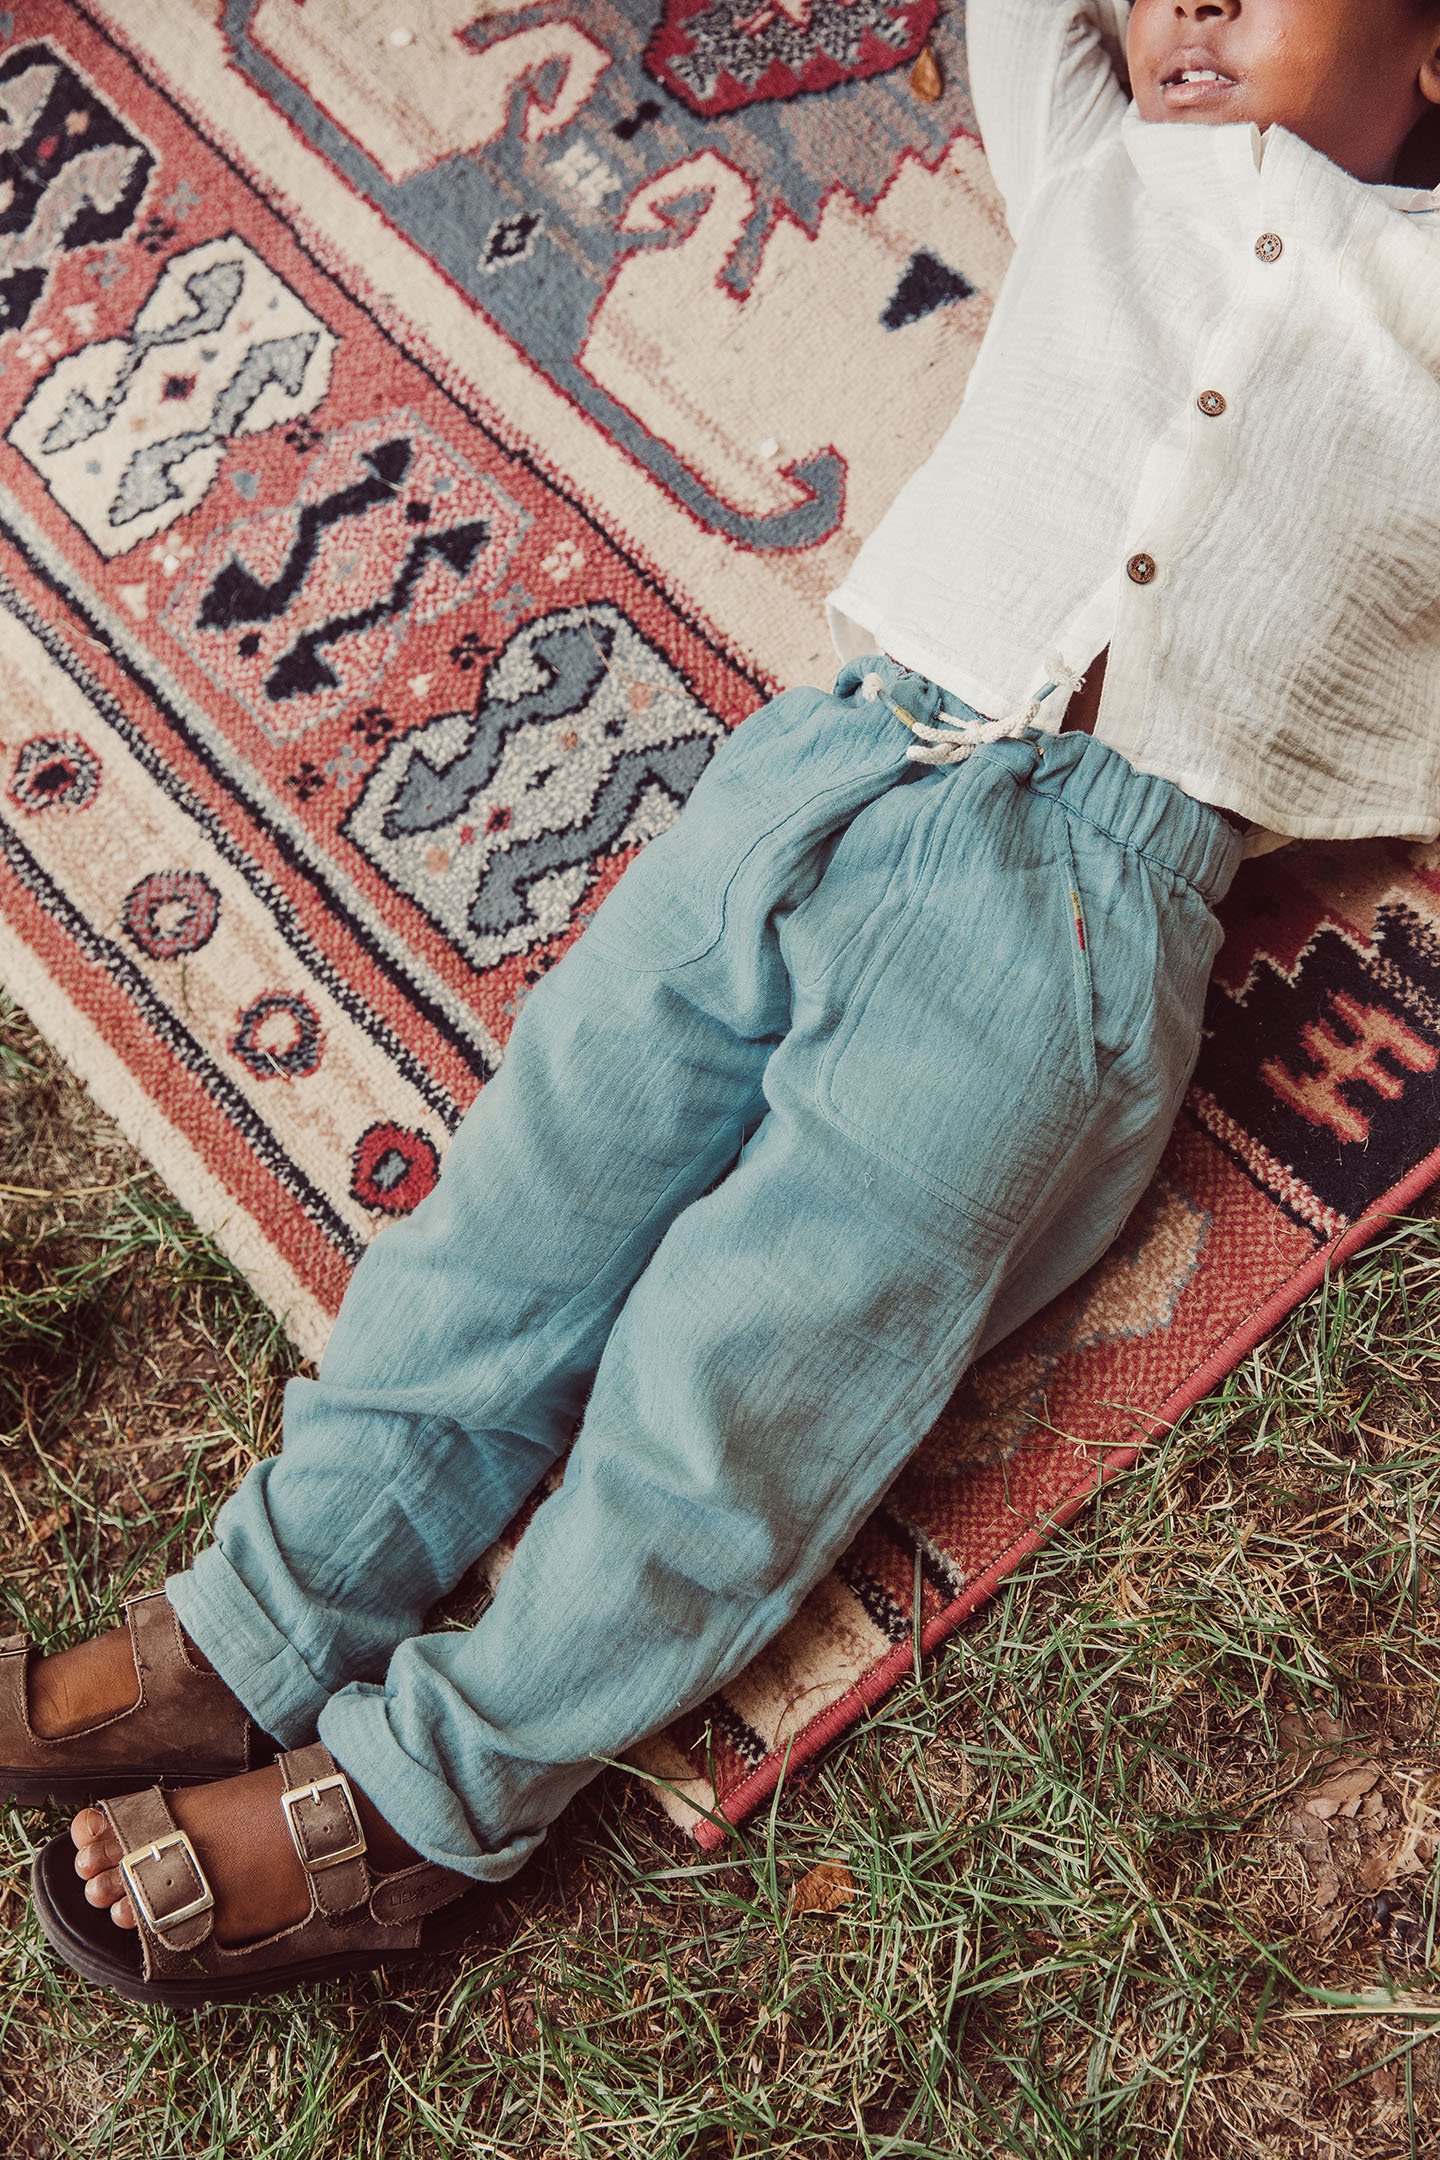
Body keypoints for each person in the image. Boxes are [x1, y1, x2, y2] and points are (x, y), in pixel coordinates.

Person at [8, 0, 1440, 2006]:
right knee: (527, 1201)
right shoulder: (1109, 160)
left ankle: (436, 1787)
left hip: (1081, 913)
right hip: (827, 757)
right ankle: (271, 1607)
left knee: (748, 1372)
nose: (1182, 5)